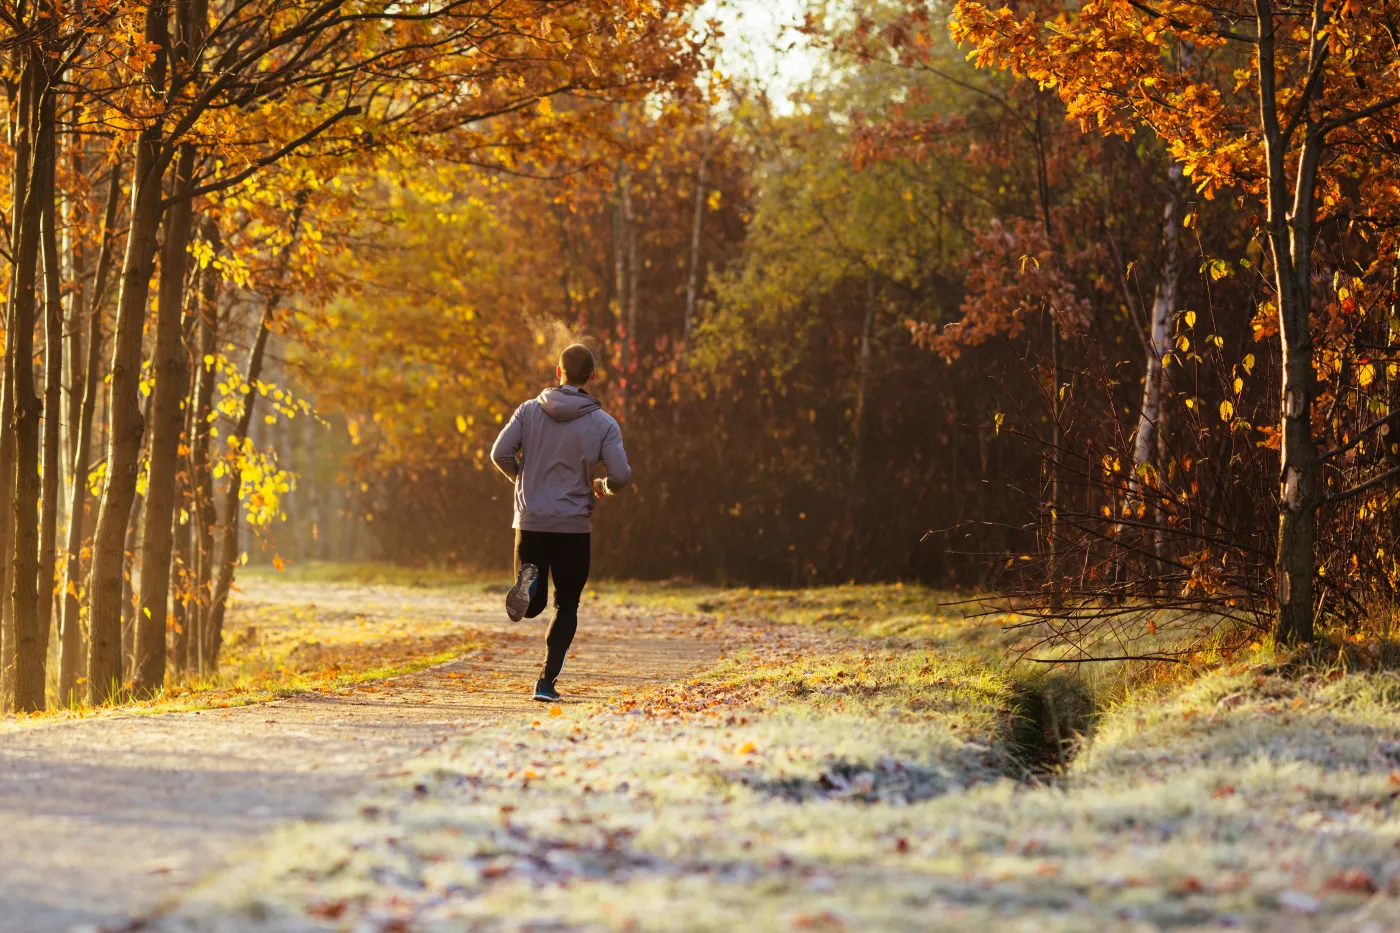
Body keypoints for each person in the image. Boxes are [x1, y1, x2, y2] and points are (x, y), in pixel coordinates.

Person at [489, 344, 631, 702]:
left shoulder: (527, 411)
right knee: (566, 604)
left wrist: (521, 481)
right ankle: (545, 682)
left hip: (531, 519)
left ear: (558, 372)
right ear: (592, 376)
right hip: (572, 526)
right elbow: (622, 475)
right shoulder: (604, 424)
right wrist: (603, 487)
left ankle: (529, 587)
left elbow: (499, 453)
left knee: (533, 604)